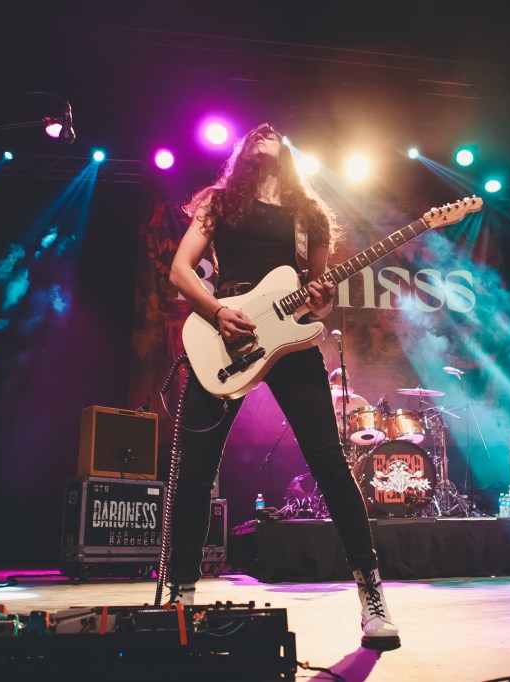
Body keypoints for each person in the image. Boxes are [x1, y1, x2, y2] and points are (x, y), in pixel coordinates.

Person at [166, 122, 400, 650]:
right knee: (196, 471)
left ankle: (372, 598)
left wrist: (321, 300)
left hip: (288, 343)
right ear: (243, 150)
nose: (266, 129)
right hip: (225, 335)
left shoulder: (309, 215)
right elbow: (180, 270)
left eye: (275, 130)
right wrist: (217, 312)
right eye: (257, 130)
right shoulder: (220, 201)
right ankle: (182, 596)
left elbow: (318, 301)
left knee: (331, 465)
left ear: (289, 152)